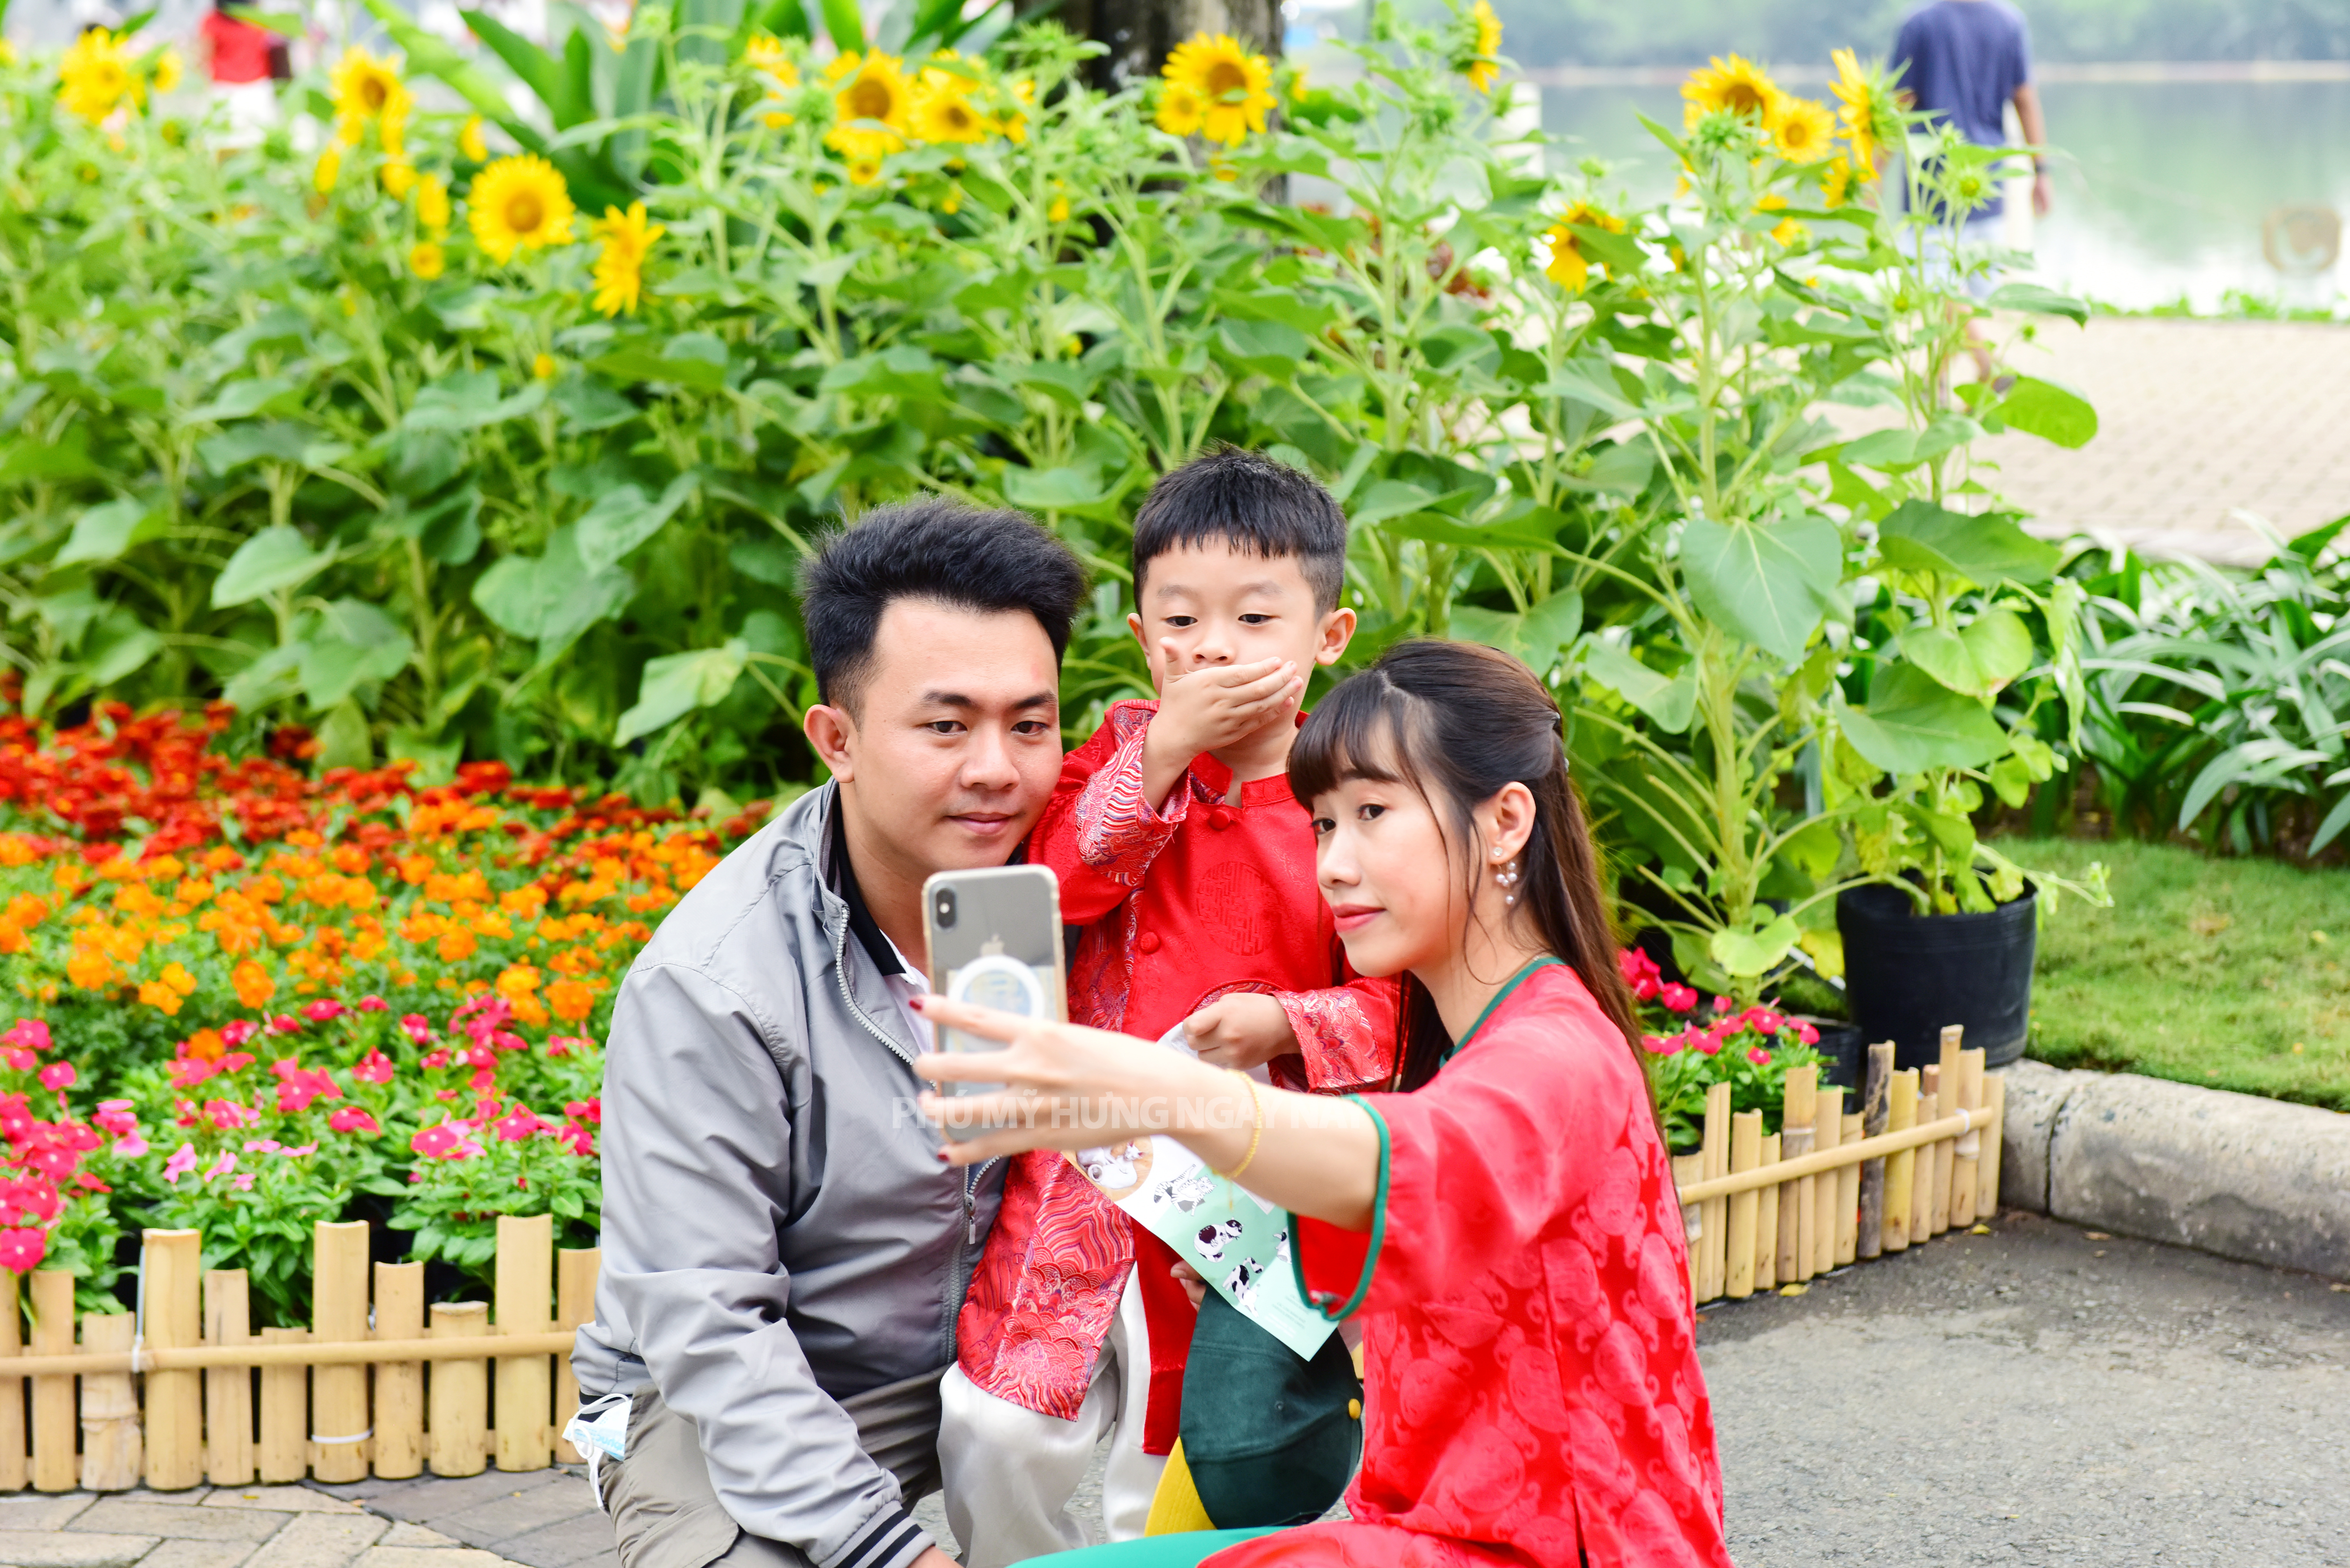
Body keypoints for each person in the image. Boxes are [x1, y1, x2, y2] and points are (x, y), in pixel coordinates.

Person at [916, 640, 1736, 1567]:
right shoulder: (1480, 1034)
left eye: (1373, 813)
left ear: (1505, 820)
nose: (1334, 865)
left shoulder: (1554, 1049)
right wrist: (1282, 1267)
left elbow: (1400, 1154)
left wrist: (1144, 1083)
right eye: (1321, 825)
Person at [571, 499, 1088, 1568]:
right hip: (761, 1383)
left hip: (1019, 1351)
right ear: (837, 739)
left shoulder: (1091, 891)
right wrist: (893, 1553)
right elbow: (712, 1327)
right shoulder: (715, 984)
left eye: (1030, 724)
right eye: (947, 726)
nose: (999, 768)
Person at [941, 449, 1403, 1566]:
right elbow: (1053, 885)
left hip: (1248, 1185)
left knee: (1184, 1463)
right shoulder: (1119, 752)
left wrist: (1289, 1025)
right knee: (997, 1420)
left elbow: (1397, 1000)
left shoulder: (1356, 794)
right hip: (1082, 1168)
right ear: (1145, 637)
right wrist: (1167, 749)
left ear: (1328, 638)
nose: (1215, 648)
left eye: (1255, 619)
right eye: (1183, 620)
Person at [1891, 0, 2052, 380]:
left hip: (1930, 182)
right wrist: (2040, 171)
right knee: (1960, 296)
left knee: (1942, 294)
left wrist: (1871, 171)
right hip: (1986, 179)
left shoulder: (1919, 23)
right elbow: (2025, 100)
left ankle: (1985, 367)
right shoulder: (2010, 21)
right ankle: (1943, 381)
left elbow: (1898, 104)